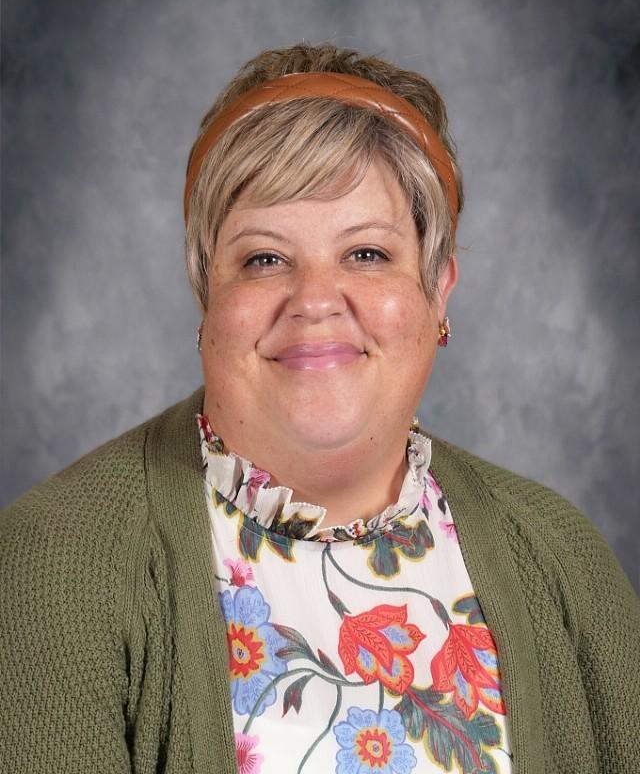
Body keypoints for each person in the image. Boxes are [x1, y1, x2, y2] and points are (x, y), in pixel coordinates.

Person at [1, 42, 638, 774]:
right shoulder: (51, 565)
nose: (313, 302)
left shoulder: (560, 556)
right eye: (263, 258)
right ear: (208, 298)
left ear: (439, 292)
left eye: (367, 253)